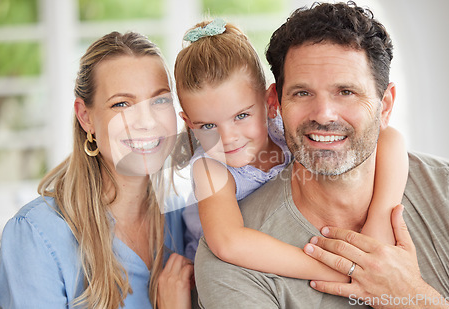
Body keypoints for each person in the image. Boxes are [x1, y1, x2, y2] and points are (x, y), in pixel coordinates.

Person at [193, 2, 449, 308]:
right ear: (276, 104)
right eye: (302, 93)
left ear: (384, 106)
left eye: (346, 91)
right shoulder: (232, 263)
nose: (324, 114)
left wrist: (410, 296)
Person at [174, 18, 408, 282]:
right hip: (230, 269)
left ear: (270, 102)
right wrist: (342, 272)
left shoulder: (283, 126)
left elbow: (390, 138)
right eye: (207, 125)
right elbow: (228, 242)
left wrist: (380, 218)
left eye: (241, 116)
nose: (227, 138)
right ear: (188, 123)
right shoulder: (210, 168)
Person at [0, 31, 195, 309]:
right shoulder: (35, 235)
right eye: (122, 104)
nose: (147, 122)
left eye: (160, 100)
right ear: (86, 117)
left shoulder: (181, 219)